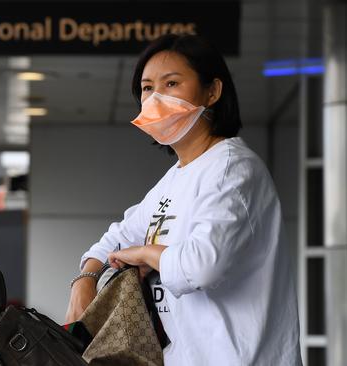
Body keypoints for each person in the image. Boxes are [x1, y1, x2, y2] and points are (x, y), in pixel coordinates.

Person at [65, 34, 302, 365]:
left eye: (172, 83)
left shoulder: (232, 168)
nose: (156, 97)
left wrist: (144, 253)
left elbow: (201, 266)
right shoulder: (176, 177)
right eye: (147, 88)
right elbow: (117, 237)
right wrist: (86, 280)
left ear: (212, 91)